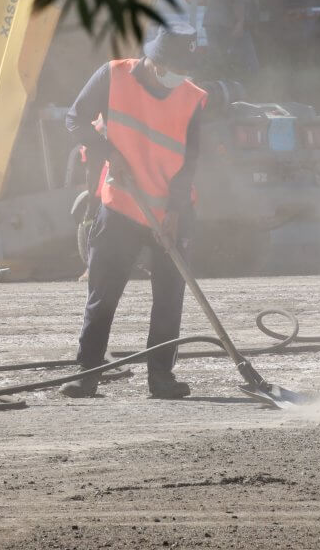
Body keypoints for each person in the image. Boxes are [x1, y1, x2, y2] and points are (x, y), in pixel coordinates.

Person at [61, 25, 207, 399]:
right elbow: (75, 118)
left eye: (187, 71)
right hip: (122, 203)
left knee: (169, 296)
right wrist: (108, 151)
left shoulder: (193, 98)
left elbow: (190, 162)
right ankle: (87, 373)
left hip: (171, 209)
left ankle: (161, 378)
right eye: (177, 69)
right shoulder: (113, 76)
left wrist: (174, 212)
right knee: (103, 293)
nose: (181, 78)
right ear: (157, 63)